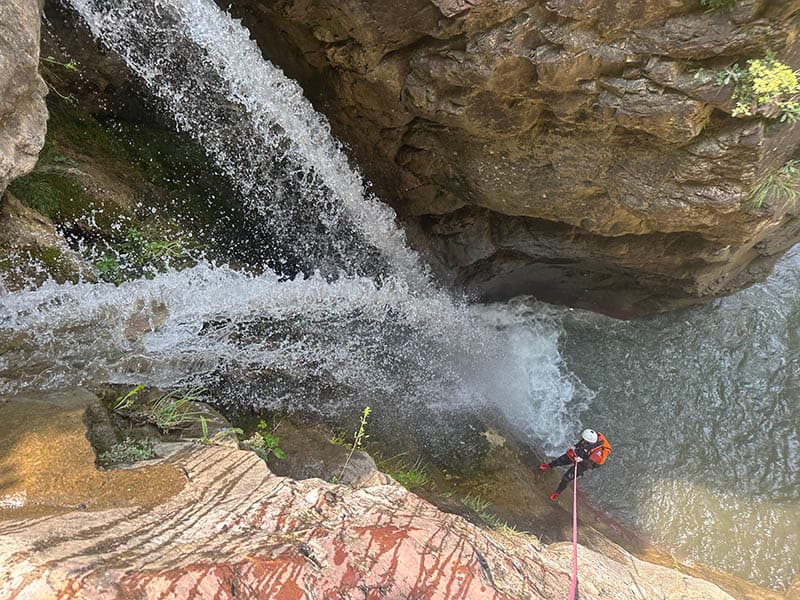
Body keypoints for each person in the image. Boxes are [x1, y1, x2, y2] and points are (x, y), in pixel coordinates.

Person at [538, 428, 611, 501]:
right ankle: (549, 465)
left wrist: (581, 460)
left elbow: (589, 464)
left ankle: (557, 492)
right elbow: (583, 441)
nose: (584, 440)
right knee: (562, 459)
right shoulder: (589, 439)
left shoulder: (598, 452)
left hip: (586, 463)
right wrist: (575, 446)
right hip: (583, 453)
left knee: (567, 478)